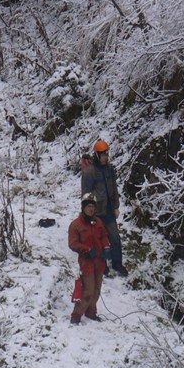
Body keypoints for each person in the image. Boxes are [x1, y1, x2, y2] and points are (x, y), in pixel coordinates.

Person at [81, 139, 128, 277]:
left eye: (107, 154)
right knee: (97, 240)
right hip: (96, 212)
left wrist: (116, 206)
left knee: (115, 239)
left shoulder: (110, 169)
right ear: (97, 155)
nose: (106, 157)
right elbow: (86, 193)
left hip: (108, 211)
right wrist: (88, 213)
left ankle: (117, 263)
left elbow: (114, 188)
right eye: (103, 155)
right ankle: (102, 265)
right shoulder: (89, 172)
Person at [68, 193, 112, 325]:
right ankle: (76, 316)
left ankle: (91, 312)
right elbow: (73, 243)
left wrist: (106, 248)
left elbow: (104, 236)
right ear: (83, 208)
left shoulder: (98, 222)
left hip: (99, 261)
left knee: (97, 290)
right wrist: (86, 249)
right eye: (88, 206)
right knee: (88, 290)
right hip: (86, 261)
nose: (91, 209)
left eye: (93, 206)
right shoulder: (75, 225)